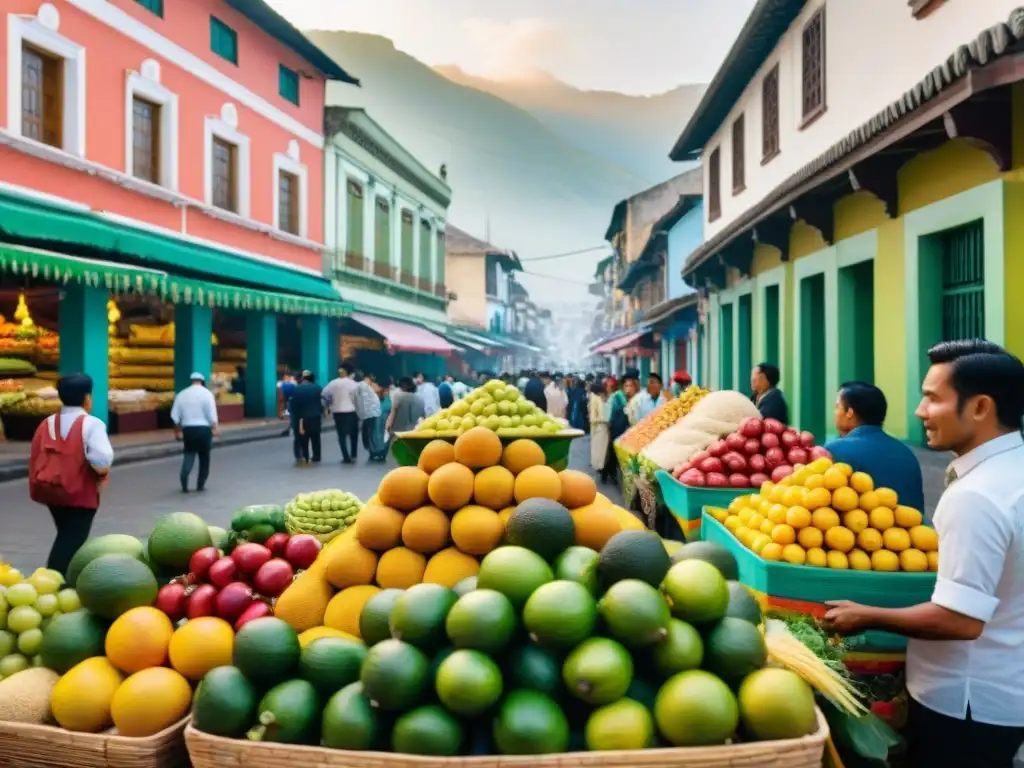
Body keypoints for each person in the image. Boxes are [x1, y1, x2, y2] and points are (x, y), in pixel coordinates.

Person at [825, 340, 1024, 768]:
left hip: (964, 702)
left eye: (932, 398)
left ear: (980, 407)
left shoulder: (977, 495)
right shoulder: (1013, 471)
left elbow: (960, 619)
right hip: (1007, 692)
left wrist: (867, 614)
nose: (919, 411)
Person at [28, 373, 113, 576]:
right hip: (79, 494)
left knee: (66, 534)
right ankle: (53, 580)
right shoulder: (91, 424)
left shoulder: (46, 423)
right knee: (70, 540)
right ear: (86, 399)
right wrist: (101, 474)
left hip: (50, 492)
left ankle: (69, 576)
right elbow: (102, 460)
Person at [823, 382, 926, 513]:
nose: (835, 413)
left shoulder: (836, 449)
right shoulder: (906, 452)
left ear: (849, 412)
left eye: (837, 407)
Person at [170, 372, 219, 493]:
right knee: (204, 458)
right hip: (204, 429)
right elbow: (211, 414)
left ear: (191, 381)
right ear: (202, 381)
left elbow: (175, 416)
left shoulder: (181, 394)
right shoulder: (207, 394)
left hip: (188, 430)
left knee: (189, 455)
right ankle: (200, 485)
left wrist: (177, 431)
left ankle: (184, 481)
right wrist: (215, 427)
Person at [323, 363, 359, 463]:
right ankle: (354, 454)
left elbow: (325, 395)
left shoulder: (332, 383)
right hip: (352, 412)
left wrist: (329, 405)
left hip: (338, 412)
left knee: (341, 435)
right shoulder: (353, 384)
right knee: (353, 434)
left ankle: (345, 456)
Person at [289, 370, 323, 464]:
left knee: (303, 438)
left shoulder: (297, 389)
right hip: (315, 417)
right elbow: (322, 402)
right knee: (315, 438)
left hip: (302, 418)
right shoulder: (318, 388)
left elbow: (294, 405)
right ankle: (316, 456)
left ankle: (305, 455)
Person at [355, 372, 382, 460]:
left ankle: (372, 449)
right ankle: (372, 449)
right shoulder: (363, 386)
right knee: (370, 432)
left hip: (369, 414)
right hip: (370, 413)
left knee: (369, 432)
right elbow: (365, 402)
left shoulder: (364, 386)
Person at [588, 379, 611, 479]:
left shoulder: (596, 398)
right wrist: (603, 419)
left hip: (600, 426)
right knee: (600, 448)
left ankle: (600, 466)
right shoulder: (595, 399)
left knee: (600, 448)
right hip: (600, 426)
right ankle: (599, 467)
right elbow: (593, 418)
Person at [369, 377, 393, 462]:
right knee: (383, 433)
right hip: (384, 416)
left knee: (375, 433)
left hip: (378, 416)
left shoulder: (376, 391)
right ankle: (381, 450)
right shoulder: (388, 394)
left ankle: (375, 451)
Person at [278, 371, 297, 437]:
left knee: (293, 415)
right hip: (288, 400)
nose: (287, 378)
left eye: (287, 376)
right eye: (285, 377)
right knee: (293, 415)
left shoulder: (293, 383)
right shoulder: (281, 384)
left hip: (291, 400)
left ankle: (291, 428)